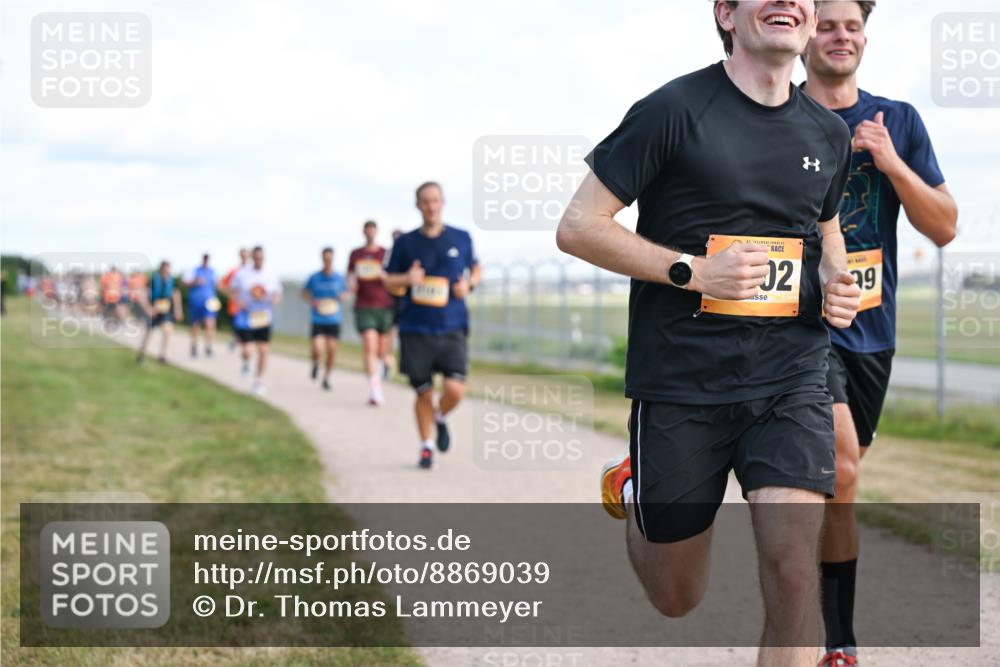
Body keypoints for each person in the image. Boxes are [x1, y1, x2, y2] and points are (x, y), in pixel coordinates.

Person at [556, 1, 862, 663]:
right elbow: (579, 225)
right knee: (676, 593)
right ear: (726, 13)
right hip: (682, 380)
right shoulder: (673, 110)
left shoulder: (828, 134)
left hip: (791, 376)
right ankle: (637, 488)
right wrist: (693, 271)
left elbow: (827, 227)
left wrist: (837, 278)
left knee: (792, 569)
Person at [801, 2, 958, 664]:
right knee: (838, 465)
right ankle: (838, 640)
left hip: (871, 329)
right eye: (827, 23)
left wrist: (891, 162)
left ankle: (818, 610)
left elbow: (945, 225)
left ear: (864, 35)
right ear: (805, 31)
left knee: (837, 478)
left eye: (851, 25)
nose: (840, 36)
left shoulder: (898, 120)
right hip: (798, 326)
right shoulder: (777, 114)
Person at [385, 182, 481, 470]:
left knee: (455, 389)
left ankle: (440, 417)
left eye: (436, 201)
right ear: (418, 205)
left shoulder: (461, 238)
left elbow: (476, 268)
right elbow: (388, 281)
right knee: (423, 393)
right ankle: (426, 446)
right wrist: (407, 280)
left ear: (443, 203)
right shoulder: (404, 244)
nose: (431, 206)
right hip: (415, 329)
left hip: (452, 325)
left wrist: (469, 284)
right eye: (425, 201)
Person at [348, 220, 396, 405]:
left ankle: (386, 362)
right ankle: (375, 391)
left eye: (372, 231)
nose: (370, 234)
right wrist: (351, 283)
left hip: (384, 305)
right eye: (367, 231)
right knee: (369, 345)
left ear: (376, 232)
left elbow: (393, 276)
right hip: (364, 305)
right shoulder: (356, 254)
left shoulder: (385, 254)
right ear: (364, 232)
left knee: (381, 351)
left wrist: (384, 276)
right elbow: (350, 274)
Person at [228, 246, 282, 396]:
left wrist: (275, 299)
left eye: (261, 258)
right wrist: (238, 301)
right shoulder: (242, 274)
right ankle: (246, 363)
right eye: (256, 257)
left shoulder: (271, 275)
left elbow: (278, 294)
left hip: (264, 316)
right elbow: (231, 289)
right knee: (248, 350)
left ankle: (258, 381)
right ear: (252, 258)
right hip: (247, 316)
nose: (259, 260)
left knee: (264, 350)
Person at [302, 247, 347, 391]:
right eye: (325, 258)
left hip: (334, 319)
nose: (327, 261)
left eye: (330, 258)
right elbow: (304, 292)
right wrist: (313, 301)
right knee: (317, 348)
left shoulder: (339, 278)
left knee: (332, 350)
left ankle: (327, 377)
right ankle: (315, 363)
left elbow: (346, 292)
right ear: (322, 259)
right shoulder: (314, 277)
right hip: (318, 319)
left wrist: (343, 296)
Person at [137, 261, 183, 364]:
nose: (166, 273)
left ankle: (162, 355)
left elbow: (175, 294)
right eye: (164, 271)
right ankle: (141, 354)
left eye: (167, 271)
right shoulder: (153, 279)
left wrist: (178, 309)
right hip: (153, 309)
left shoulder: (171, 280)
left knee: (168, 330)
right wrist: (148, 308)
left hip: (165, 310)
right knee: (148, 333)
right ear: (161, 270)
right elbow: (142, 293)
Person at [184, 254, 221, 358]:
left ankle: (208, 346)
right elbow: (185, 283)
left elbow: (217, 285)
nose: (206, 261)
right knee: (195, 325)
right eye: (205, 259)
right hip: (196, 301)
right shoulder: (194, 270)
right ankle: (194, 345)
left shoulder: (213, 272)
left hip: (210, 301)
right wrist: (195, 281)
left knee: (210, 323)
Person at [221, 248, 250, 353]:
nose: (244, 257)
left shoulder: (252, 271)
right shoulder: (234, 271)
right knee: (239, 329)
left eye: (246, 255)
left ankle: (240, 344)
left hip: (249, 307)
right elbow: (224, 286)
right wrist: (233, 296)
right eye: (242, 255)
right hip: (236, 306)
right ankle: (238, 340)